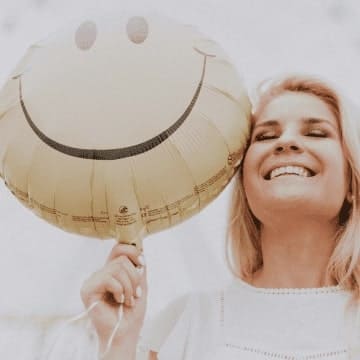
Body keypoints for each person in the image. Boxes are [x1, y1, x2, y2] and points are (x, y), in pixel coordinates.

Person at [80, 75, 360, 359]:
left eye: (316, 133)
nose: (286, 141)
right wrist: (118, 343)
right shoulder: (186, 325)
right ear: (244, 183)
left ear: (352, 183)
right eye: (265, 136)